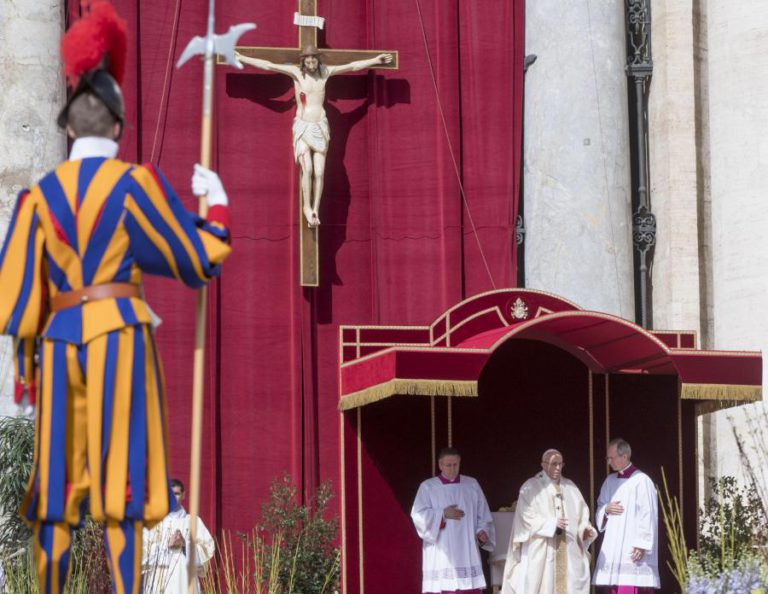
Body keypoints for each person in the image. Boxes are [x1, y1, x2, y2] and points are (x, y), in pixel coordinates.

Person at [0, 3, 232, 592]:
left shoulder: (36, 199)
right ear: (119, 128)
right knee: (124, 492)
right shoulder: (134, 187)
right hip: (120, 341)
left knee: (56, 492)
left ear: (69, 128)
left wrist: (27, 367)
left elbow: (16, 295)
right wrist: (218, 205)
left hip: (57, 347)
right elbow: (196, 260)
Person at [235, 45, 393, 227]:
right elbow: (268, 65)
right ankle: (306, 207)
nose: (311, 62)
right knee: (307, 169)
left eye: (314, 59)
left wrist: (374, 61)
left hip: (320, 127)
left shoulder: (325, 72)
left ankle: (315, 209)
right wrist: (243, 58)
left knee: (319, 172)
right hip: (303, 127)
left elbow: (352, 66)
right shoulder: (296, 73)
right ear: (303, 61)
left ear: (318, 59)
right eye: (307, 60)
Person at [501, 449, 596, 594]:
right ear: (543, 465)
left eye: (560, 464)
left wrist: (585, 529)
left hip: (568, 550)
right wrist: (551, 524)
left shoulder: (570, 487)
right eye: (553, 464)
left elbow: (582, 515)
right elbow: (525, 517)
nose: (558, 468)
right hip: (542, 549)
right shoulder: (531, 487)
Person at [411, 447, 495, 594]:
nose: (452, 469)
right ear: (440, 465)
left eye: (455, 465)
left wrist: (482, 531)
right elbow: (418, 515)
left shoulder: (471, 485)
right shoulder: (428, 487)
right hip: (441, 549)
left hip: (466, 547)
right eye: (448, 465)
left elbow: (483, 515)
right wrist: (443, 514)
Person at [592, 438, 660, 593]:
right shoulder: (609, 481)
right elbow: (600, 506)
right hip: (614, 547)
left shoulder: (642, 481)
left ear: (624, 457)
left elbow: (648, 514)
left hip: (632, 548)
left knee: (629, 585)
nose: (609, 462)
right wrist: (606, 510)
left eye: (611, 458)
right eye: (607, 458)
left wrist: (642, 544)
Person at [142, 479, 215, 593]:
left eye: (176, 494)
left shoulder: (193, 522)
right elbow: (142, 555)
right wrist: (167, 545)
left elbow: (205, 554)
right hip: (159, 582)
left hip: (185, 582)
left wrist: (185, 544)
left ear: (183, 495)